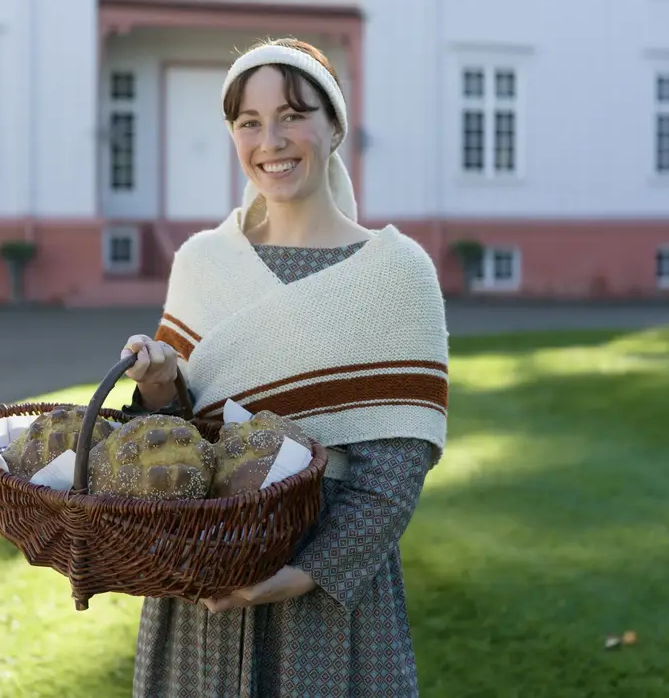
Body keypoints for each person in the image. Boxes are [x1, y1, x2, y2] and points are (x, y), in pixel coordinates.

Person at [119, 37, 450, 698]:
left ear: (334, 127)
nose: (272, 139)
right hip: (205, 575)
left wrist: (304, 573)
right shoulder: (202, 263)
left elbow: (397, 466)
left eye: (294, 114)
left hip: (329, 588)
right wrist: (159, 389)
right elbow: (173, 447)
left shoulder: (396, 273)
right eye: (249, 122)